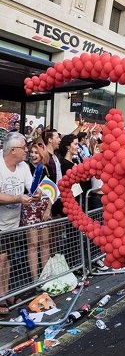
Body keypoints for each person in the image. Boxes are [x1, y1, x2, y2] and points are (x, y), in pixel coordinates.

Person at [0, 133, 39, 314]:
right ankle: (1, 297)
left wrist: (36, 193)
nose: (27, 151)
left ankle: (6, 293)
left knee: (6, 259)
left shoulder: (23, 166)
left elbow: (31, 186)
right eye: (24, 148)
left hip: (13, 222)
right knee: (1, 259)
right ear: (13, 150)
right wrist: (18, 198)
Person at [22, 140, 52, 282]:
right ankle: (34, 279)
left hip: (45, 208)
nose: (33, 155)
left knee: (45, 243)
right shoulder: (25, 168)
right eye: (31, 152)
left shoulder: (47, 169)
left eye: (36, 152)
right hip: (30, 209)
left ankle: (45, 276)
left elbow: (53, 192)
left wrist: (48, 210)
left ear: (42, 154)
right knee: (33, 244)